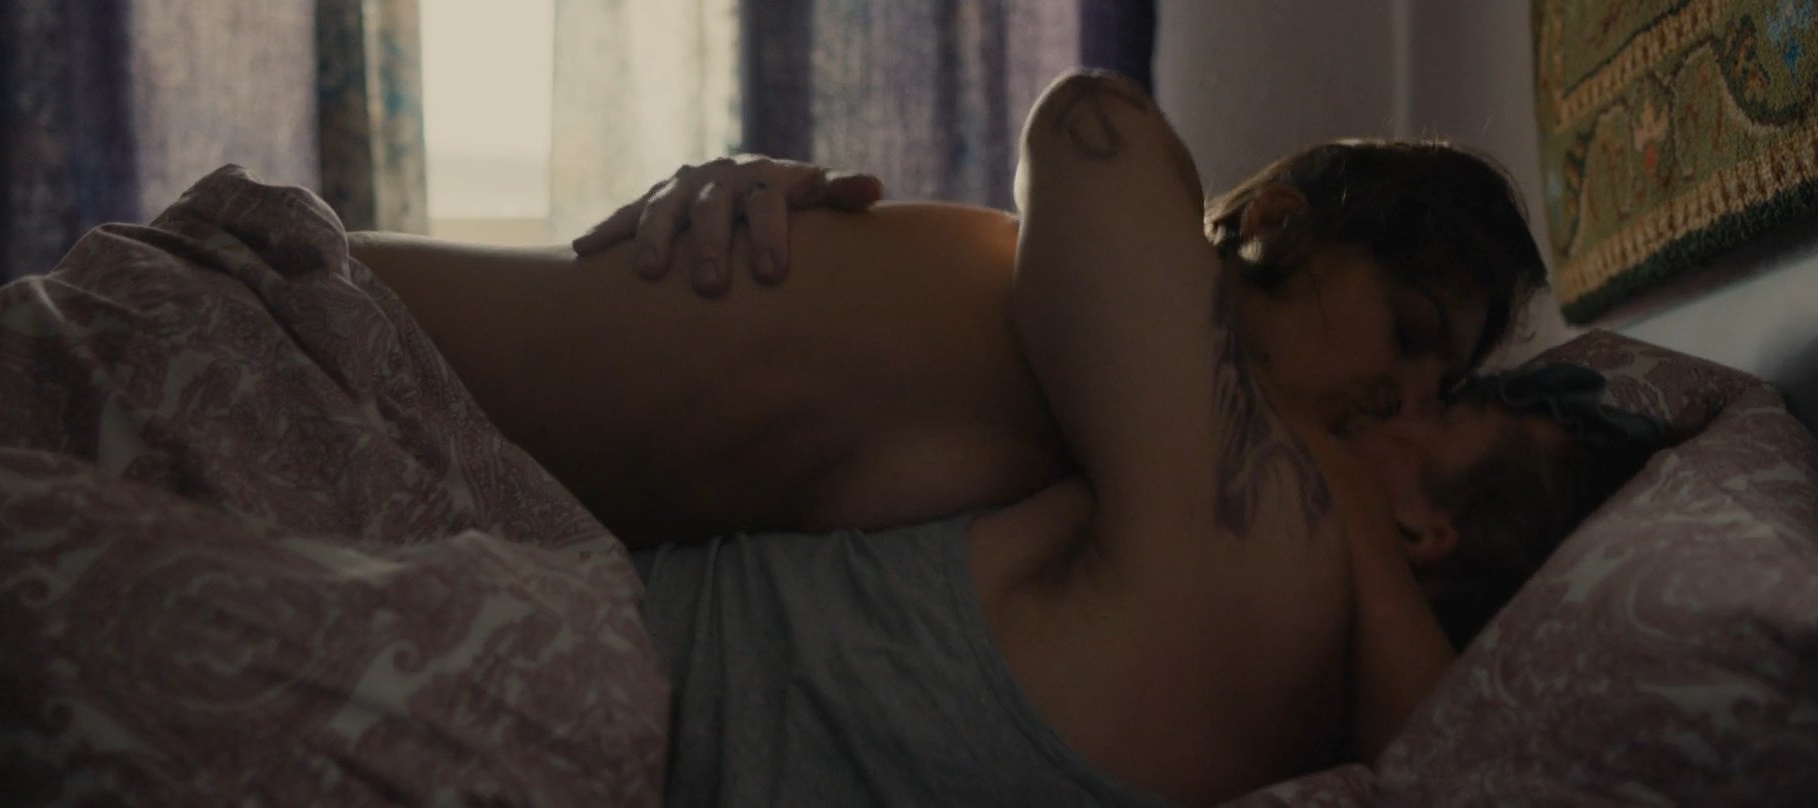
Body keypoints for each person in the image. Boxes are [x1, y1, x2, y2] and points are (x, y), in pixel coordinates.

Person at [345, 68, 1577, 802]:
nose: (1402, 397)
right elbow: (1087, 115)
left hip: (429, 520)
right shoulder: (1111, 309)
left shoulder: (1153, 474)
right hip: (339, 346)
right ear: (1274, 220)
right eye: (1408, 334)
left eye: (1442, 382)